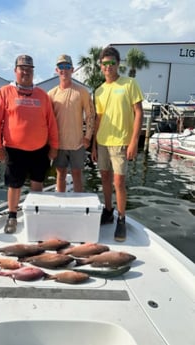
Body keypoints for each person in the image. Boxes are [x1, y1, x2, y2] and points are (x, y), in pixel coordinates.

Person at [0, 54, 59, 234]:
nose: (26, 73)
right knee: (14, 184)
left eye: (29, 69)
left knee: (38, 182)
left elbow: (51, 122)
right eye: (22, 69)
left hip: (39, 149)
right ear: (15, 71)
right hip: (14, 150)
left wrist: (54, 146)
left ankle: (36, 213)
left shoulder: (42, 95)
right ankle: (12, 216)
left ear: (33, 72)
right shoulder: (4, 92)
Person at [92, 46, 144, 241]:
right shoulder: (99, 91)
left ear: (118, 64)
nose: (108, 67)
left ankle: (121, 218)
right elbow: (98, 119)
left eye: (112, 63)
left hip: (122, 142)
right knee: (105, 178)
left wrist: (134, 142)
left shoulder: (130, 84)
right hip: (103, 142)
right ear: (100, 66)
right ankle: (108, 211)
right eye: (104, 63)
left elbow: (139, 112)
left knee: (119, 182)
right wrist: (94, 145)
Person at [48, 54, 95, 192]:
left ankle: (79, 205)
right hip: (58, 144)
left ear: (72, 69)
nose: (64, 70)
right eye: (61, 67)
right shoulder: (51, 94)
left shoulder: (82, 92)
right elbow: (47, 121)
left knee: (77, 175)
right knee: (60, 174)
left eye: (67, 67)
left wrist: (88, 137)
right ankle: (60, 202)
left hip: (78, 143)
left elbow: (91, 114)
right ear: (57, 70)